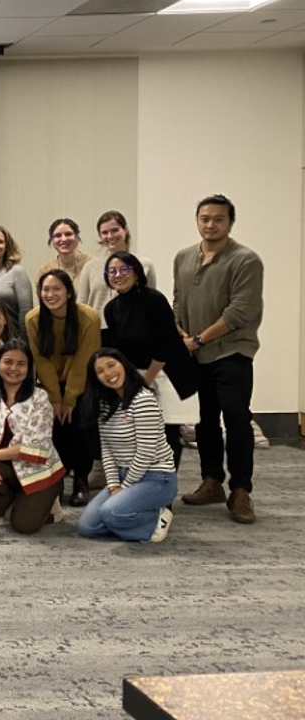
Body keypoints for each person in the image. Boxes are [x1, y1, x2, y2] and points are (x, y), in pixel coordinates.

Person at [173, 194, 263, 524]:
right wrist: (182, 335)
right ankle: (212, 482)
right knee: (204, 419)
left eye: (218, 219)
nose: (210, 224)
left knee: (236, 418)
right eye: (205, 218)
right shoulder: (183, 257)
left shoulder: (246, 260)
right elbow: (177, 301)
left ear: (230, 222)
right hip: (195, 354)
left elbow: (240, 311)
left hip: (232, 352)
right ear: (197, 220)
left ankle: (240, 490)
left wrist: (198, 339)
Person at [102, 251, 198, 470]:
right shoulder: (111, 309)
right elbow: (118, 352)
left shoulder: (154, 299)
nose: (118, 275)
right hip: (137, 373)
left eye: (124, 269)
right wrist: (132, 383)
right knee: (140, 434)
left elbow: (166, 344)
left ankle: (166, 484)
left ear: (136, 272)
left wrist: (146, 381)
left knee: (167, 434)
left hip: (169, 372)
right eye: (112, 271)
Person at [76, 349, 178, 544]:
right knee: (87, 527)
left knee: (110, 512)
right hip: (123, 475)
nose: (108, 373)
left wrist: (124, 487)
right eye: (100, 371)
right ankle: (132, 518)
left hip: (156, 477)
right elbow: (107, 450)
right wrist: (114, 485)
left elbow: (145, 453)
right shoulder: (105, 405)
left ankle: (155, 519)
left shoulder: (143, 399)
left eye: (111, 365)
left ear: (123, 364)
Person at [0, 339, 65, 534]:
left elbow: (32, 447)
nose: (13, 368)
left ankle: (49, 505)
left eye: (21, 364)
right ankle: (10, 505)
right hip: (7, 469)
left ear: (29, 369)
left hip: (39, 471)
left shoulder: (40, 398)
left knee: (24, 526)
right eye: (8, 362)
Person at [25, 269, 99, 507]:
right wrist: (55, 398)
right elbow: (41, 361)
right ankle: (56, 481)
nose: (51, 294)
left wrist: (69, 399)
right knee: (54, 426)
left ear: (68, 292)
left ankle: (81, 480)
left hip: (83, 381)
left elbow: (84, 361)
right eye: (45, 289)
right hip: (49, 384)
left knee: (79, 421)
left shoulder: (88, 318)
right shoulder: (33, 319)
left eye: (57, 289)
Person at [75, 211, 157, 337]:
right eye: (104, 232)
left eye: (114, 230)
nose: (110, 236)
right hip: (97, 333)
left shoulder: (145, 264)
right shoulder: (90, 267)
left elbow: (151, 303)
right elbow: (81, 306)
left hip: (134, 334)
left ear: (125, 230)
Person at [37, 218, 92, 285]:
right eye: (58, 235)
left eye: (68, 234)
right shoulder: (45, 270)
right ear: (52, 240)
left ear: (77, 237)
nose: (64, 239)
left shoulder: (92, 264)